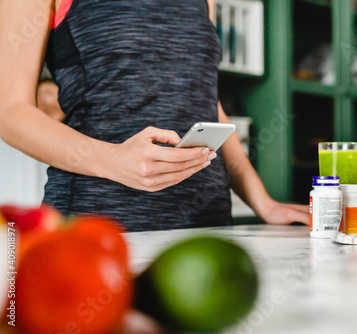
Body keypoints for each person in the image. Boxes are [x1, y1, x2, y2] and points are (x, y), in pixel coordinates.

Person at [0, 0, 309, 231]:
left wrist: (262, 202)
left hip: (207, 221)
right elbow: (10, 112)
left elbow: (204, 98)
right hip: (100, 221)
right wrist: (111, 159)